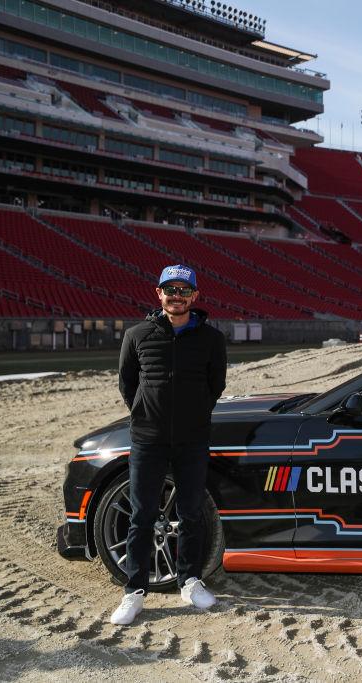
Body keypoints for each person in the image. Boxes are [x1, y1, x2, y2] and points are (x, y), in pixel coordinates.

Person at [110, 264, 228, 626]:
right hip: (148, 439)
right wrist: (148, 415)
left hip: (192, 440)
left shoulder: (212, 339)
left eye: (183, 290)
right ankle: (135, 591)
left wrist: (190, 417)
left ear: (195, 296)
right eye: (169, 290)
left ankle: (190, 580)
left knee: (191, 512)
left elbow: (215, 386)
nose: (176, 296)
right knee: (143, 515)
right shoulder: (137, 335)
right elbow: (127, 384)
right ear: (158, 293)